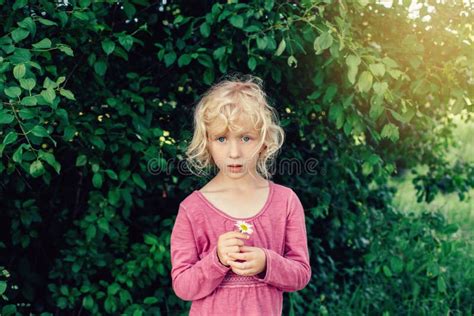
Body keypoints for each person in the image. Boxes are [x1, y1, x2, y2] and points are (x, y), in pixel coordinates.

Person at [170, 73, 311, 315]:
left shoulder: (285, 202)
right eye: (222, 138)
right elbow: (183, 286)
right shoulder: (192, 209)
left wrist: (268, 262)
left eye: (246, 138)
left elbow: (300, 274)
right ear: (207, 142)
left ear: (264, 142)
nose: (234, 152)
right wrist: (217, 259)